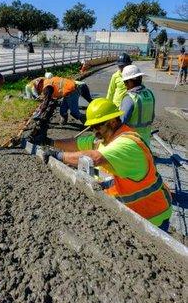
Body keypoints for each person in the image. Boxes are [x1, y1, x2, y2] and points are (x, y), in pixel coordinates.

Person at [44, 98, 172, 231]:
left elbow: (95, 158)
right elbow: (78, 143)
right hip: (132, 213)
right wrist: (50, 142)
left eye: (98, 126)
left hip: (152, 215)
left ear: (112, 121)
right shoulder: (108, 137)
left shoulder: (126, 144)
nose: (95, 131)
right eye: (92, 127)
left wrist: (59, 156)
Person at [120, 65, 155, 145]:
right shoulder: (149, 94)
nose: (125, 85)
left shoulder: (130, 98)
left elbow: (121, 121)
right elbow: (152, 117)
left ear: (130, 81)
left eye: (125, 82)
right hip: (146, 140)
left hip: (131, 141)